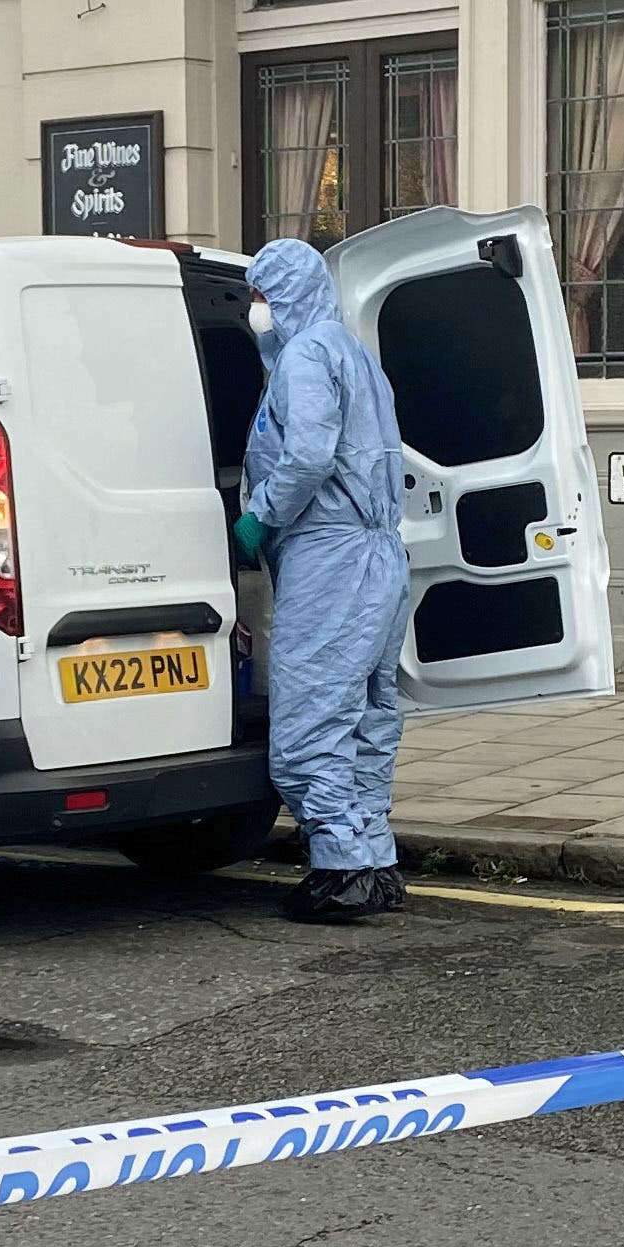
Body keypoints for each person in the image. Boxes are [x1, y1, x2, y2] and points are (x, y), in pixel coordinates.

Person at [235, 239, 410, 925]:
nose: (256, 309)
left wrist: (260, 515)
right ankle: (375, 859)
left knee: (311, 718)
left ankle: (340, 870)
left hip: (329, 555)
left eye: (258, 294)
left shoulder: (306, 356)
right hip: (379, 556)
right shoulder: (355, 354)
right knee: (368, 712)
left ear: (284, 294)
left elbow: (308, 455)